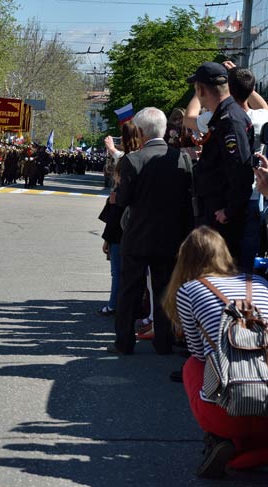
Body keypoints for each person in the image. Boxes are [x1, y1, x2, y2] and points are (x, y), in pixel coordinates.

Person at [162, 227, 268, 478]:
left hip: (229, 410)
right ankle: (250, 450)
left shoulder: (188, 290)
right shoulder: (260, 283)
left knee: (192, 366)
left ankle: (217, 437)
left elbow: (198, 353)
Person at [109, 107, 194, 355]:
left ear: (142, 132)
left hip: (137, 236)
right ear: (164, 129)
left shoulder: (133, 159)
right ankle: (163, 343)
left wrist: (116, 197)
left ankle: (124, 342)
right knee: (164, 290)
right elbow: (187, 198)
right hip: (170, 236)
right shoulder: (181, 158)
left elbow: (123, 199)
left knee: (129, 291)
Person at [184, 62, 255, 267]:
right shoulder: (224, 116)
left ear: (201, 90)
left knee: (218, 273)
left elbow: (240, 169)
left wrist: (230, 210)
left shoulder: (229, 120)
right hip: (215, 210)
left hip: (221, 216)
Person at [98, 121, 141, 317]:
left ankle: (115, 304)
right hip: (137, 224)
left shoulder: (129, 161)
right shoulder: (140, 158)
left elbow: (117, 210)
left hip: (122, 225)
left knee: (118, 270)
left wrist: (112, 149)